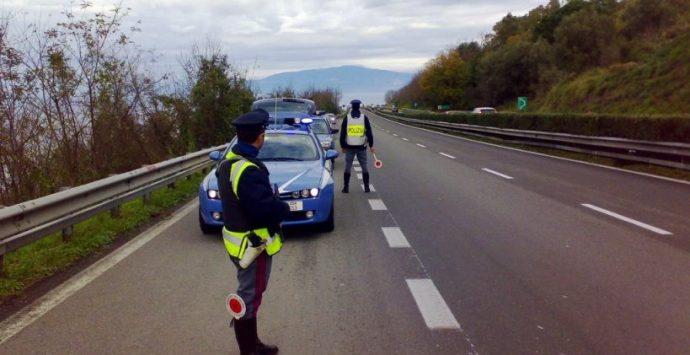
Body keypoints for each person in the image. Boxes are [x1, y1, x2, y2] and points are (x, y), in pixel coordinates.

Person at [217, 109, 289, 355]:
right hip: (254, 246)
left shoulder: (228, 164)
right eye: (263, 132)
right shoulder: (248, 170)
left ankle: (253, 344)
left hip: (238, 244)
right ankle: (249, 351)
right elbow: (263, 209)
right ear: (260, 136)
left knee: (250, 296)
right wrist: (283, 208)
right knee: (249, 298)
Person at [339, 99, 375, 193]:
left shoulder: (347, 118)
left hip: (349, 147)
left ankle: (346, 187)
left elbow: (343, 133)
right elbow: (369, 133)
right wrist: (371, 145)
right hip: (361, 147)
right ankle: (366, 187)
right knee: (364, 166)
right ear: (359, 106)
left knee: (347, 167)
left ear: (351, 107)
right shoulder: (364, 118)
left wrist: (342, 146)